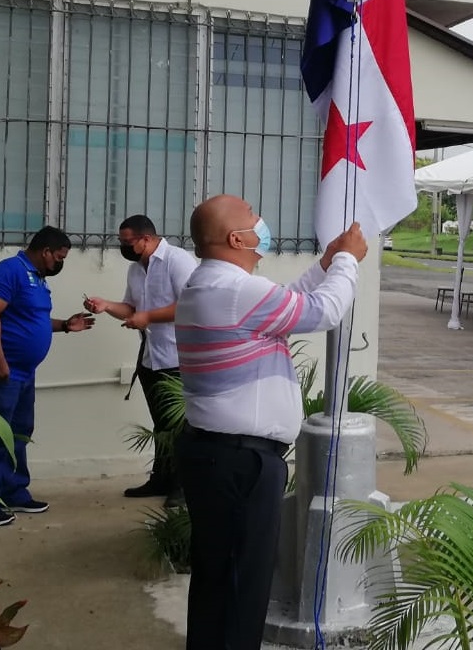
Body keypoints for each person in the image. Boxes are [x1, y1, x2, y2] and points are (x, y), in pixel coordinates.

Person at [174, 195, 367, 650]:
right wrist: (347, 260)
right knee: (242, 588)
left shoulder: (214, 287)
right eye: (251, 215)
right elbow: (322, 310)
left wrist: (324, 264)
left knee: (219, 579)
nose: (262, 221)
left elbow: (290, 300)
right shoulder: (236, 291)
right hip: (240, 462)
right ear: (236, 238)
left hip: (218, 455)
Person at [0, 226, 95, 526]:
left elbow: (30, 319)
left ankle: (13, 491)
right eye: (59, 257)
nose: (60, 263)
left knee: (19, 431)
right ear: (45, 251)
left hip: (22, 373)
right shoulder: (10, 270)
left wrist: (64, 325)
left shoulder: (36, 280)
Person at [83, 214, 198, 506]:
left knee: (182, 427)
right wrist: (106, 305)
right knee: (161, 425)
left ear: (146, 239)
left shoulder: (177, 260)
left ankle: (183, 488)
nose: (123, 247)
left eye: (127, 242)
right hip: (151, 358)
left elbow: (190, 305)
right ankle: (160, 479)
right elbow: (131, 308)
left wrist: (147, 317)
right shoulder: (136, 270)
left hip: (178, 358)